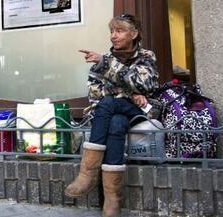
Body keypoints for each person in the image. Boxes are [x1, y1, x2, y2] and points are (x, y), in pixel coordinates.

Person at [64, 14, 159, 217]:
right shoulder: (103, 61)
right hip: (116, 114)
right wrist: (130, 93)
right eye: (111, 31)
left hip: (139, 112)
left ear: (134, 34)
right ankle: (112, 202)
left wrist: (108, 66)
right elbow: (95, 95)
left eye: (119, 31)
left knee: (109, 103)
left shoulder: (146, 57)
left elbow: (145, 85)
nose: (113, 36)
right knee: (115, 121)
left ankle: (87, 174)